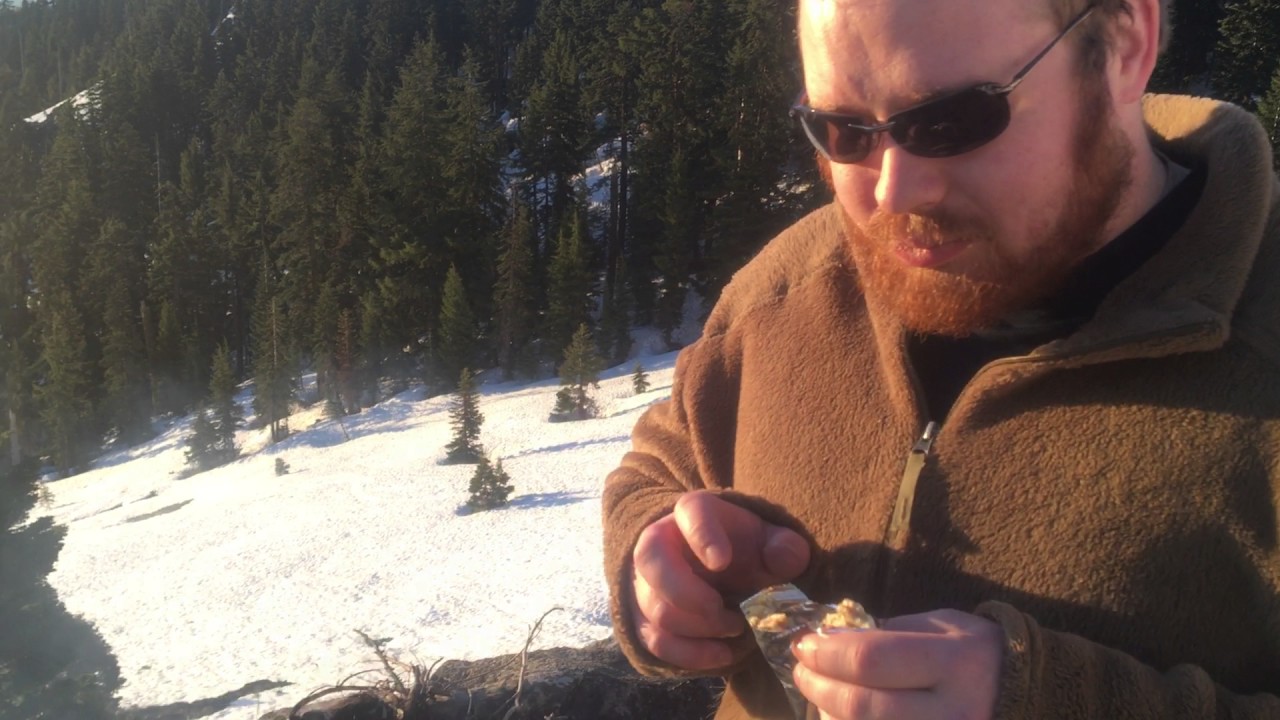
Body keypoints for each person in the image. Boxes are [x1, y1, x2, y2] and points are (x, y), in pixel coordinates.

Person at [601, 0, 1280, 716]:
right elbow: (667, 456)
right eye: (843, 131)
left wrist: (1051, 699)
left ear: (1123, 45)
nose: (896, 192)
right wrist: (657, 553)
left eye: (952, 121)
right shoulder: (787, 289)